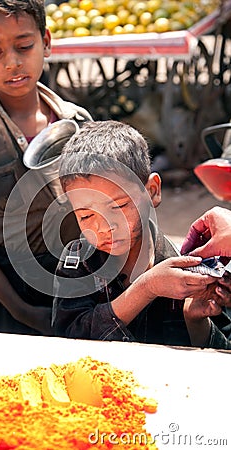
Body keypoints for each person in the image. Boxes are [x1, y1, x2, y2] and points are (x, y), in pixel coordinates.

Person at [0, 0, 92, 335]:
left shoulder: (78, 122)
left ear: (46, 42)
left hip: (88, 275)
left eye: (24, 46)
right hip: (19, 290)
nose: (12, 62)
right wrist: (22, 311)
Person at [52, 121, 231, 349]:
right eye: (86, 216)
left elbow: (222, 355)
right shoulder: (76, 263)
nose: (105, 226)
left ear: (152, 191)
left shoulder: (188, 268)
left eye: (118, 206)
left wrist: (195, 320)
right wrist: (146, 288)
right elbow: (66, 340)